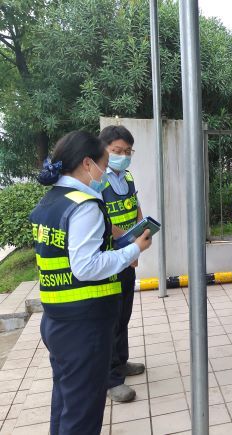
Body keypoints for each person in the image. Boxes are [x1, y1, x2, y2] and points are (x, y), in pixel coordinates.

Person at [30, 131, 152, 435]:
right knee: (83, 412)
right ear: (87, 163)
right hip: (83, 324)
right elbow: (86, 266)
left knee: (66, 403)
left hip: (58, 317)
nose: (104, 173)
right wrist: (134, 249)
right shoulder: (84, 205)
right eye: (104, 164)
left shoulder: (52, 200)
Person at [99, 125, 143, 403]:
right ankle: (110, 378)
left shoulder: (126, 176)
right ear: (103, 150)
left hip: (127, 254)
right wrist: (130, 245)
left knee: (124, 313)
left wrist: (140, 232)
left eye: (128, 151)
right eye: (117, 151)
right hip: (110, 257)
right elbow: (103, 220)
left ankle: (121, 362)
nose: (123, 156)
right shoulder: (96, 180)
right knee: (110, 318)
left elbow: (135, 207)